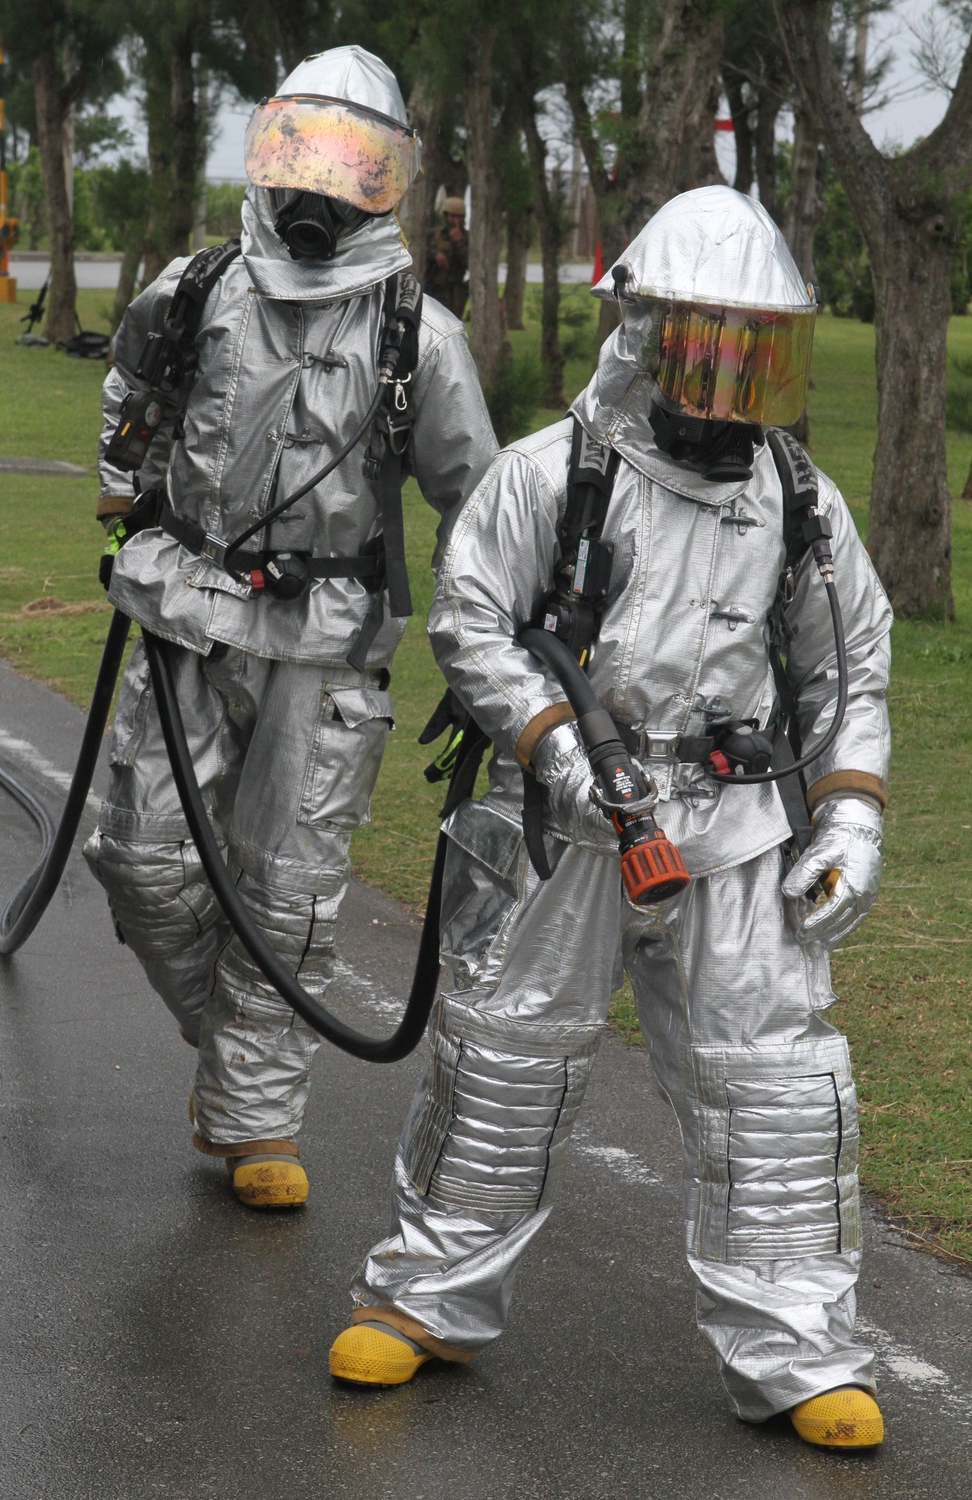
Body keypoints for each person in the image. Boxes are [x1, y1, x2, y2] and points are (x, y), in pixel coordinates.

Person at [329, 186, 892, 1451]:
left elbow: (852, 665)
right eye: (707, 345)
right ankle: (426, 1300)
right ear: (642, 334)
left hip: (739, 829)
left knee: (778, 1084)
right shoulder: (555, 476)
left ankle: (798, 1349)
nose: (730, 379)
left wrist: (847, 819)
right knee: (509, 1052)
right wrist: (557, 748)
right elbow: (471, 621)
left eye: (757, 351)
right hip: (571, 826)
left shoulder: (797, 503)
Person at [84, 46, 496, 1211]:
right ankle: (243, 1046)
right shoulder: (201, 286)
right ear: (269, 156)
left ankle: (252, 1118)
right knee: (142, 861)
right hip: (185, 612)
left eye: (350, 167)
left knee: (292, 892)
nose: (317, 191)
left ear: (387, 181)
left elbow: (484, 510)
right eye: (301, 157)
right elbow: (129, 392)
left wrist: (481, 659)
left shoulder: (422, 335)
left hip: (328, 640)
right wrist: (128, 481)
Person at [423, 196, 468, 318]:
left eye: (458, 217)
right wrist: (435, 255)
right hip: (434, 287)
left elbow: (469, 263)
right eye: (452, 216)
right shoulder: (434, 234)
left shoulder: (467, 238)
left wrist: (459, 242)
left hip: (455, 291)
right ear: (446, 216)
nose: (454, 220)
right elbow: (422, 251)